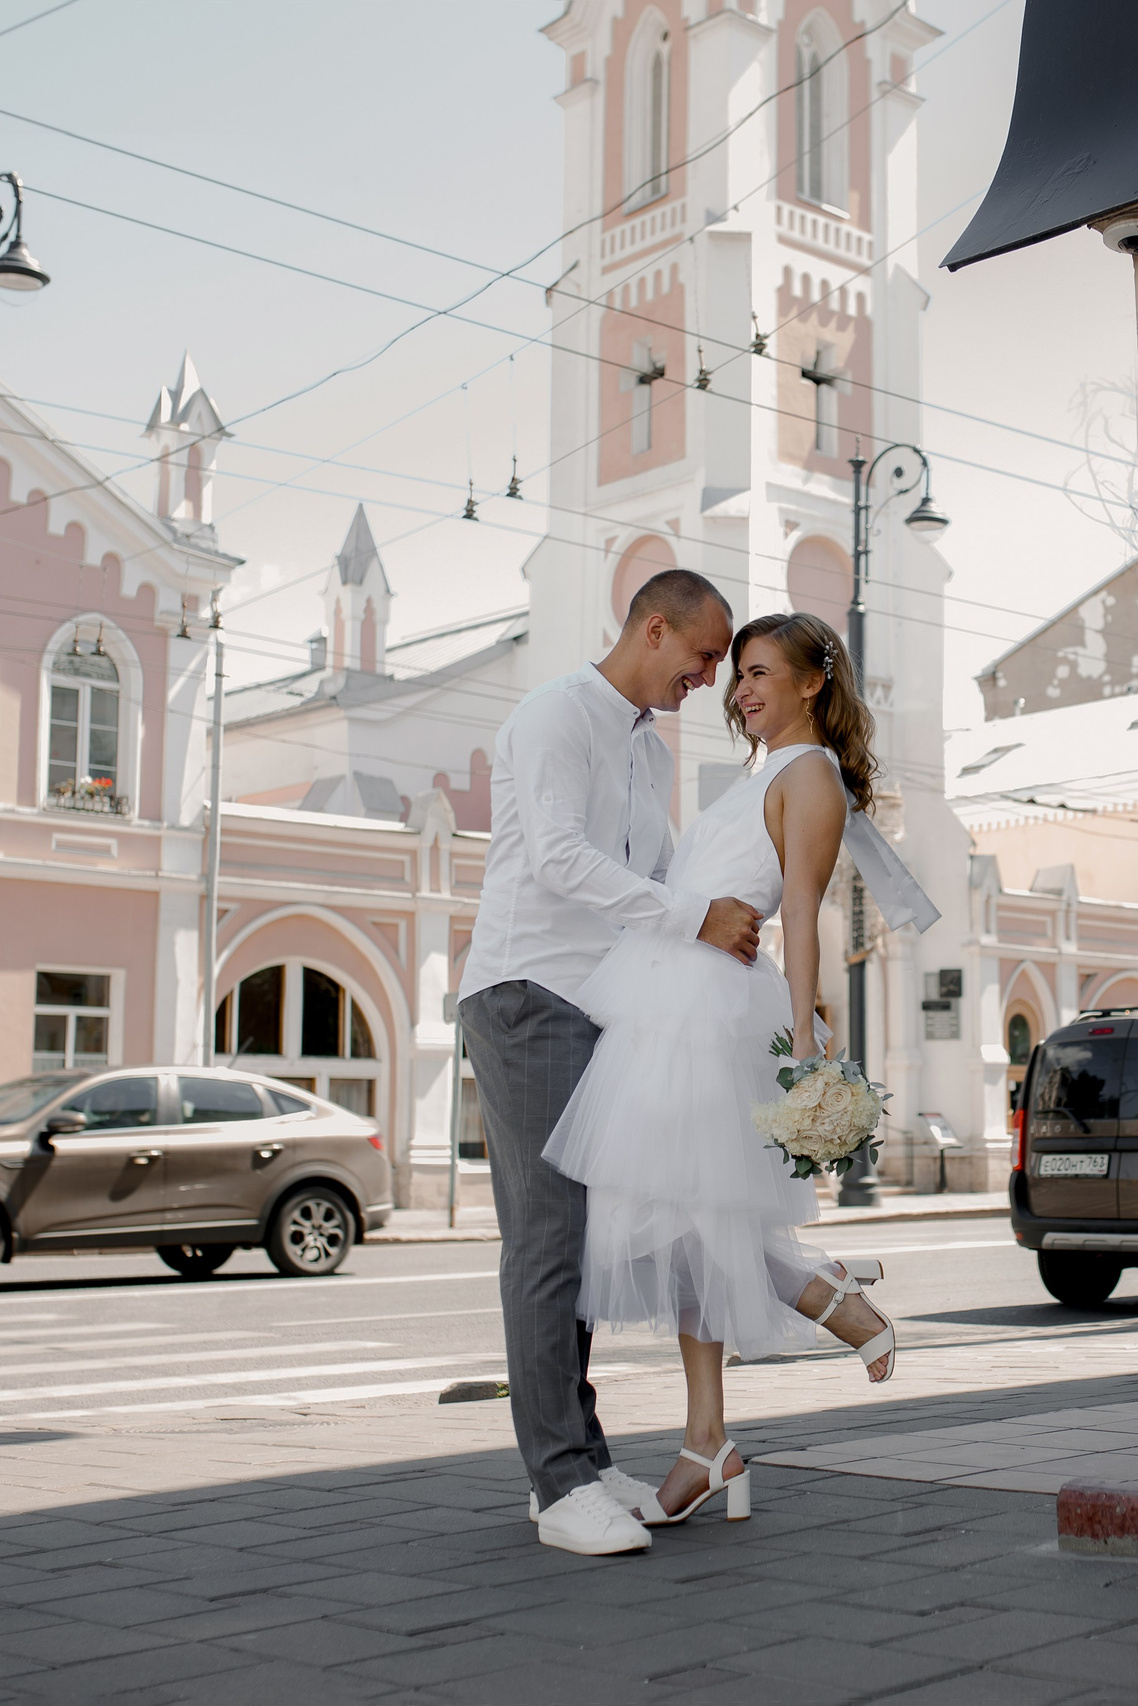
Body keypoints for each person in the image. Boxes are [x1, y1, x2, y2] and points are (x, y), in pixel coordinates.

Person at [544, 612, 940, 1527]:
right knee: (681, 1221)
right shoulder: (766, 771)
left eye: (762, 672)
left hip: (711, 1011)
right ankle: (712, 1436)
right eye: (739, 676)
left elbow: (800, 914)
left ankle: (815, 1307)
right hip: (670, 997)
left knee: (688, 1215)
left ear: (811, 684)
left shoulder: (812, 776)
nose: (743, 689)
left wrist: (801, 1042)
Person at [459, 569, 764, 1558]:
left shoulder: (645, 747)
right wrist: (691, 915)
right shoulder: (558, 716)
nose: (709, 676)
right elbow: (557, 857)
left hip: (593, 1004)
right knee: (547, 1238)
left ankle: (582, 1463)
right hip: (525, 991)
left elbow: (666, 872)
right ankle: (555, 1484)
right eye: (703, 655)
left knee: (585, 1234)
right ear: (653, 626)